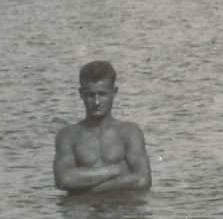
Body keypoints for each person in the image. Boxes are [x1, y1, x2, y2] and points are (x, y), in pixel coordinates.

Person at [53, 60, 151, 193]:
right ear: (81, 94)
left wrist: (92, 188)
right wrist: (115, 170)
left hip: (122, 211)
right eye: (91, 95)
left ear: (114, 92)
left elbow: (143, 180)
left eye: (102, 94)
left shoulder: (129, 132)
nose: (97, 101)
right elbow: (64, 180)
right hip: (84, 211)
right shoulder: (68, 135)